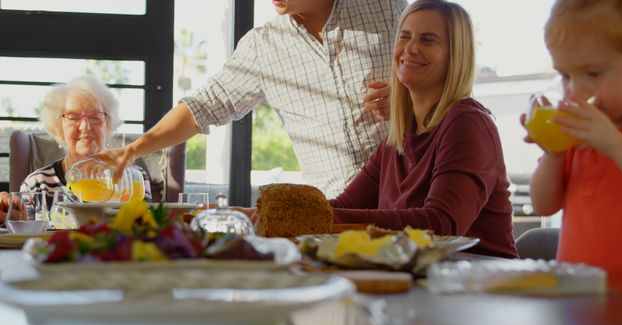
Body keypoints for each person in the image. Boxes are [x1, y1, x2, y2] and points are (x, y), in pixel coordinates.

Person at [97, 0, 407, 199]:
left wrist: (407, 97)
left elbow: (448, 76)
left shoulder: (387, 8)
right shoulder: (263, 47)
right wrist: (134, 149)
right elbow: (203, 107)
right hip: (337, 211)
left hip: (410, 194)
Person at [322, 0, 516, 258]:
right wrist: (266, 213)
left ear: (455, 55)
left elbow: (440, 226)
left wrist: (312, 216)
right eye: (404, 37)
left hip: (480, 287)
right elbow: (343, 207)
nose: (410, 48)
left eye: (428, 40)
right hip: (421, 284)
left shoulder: (468, 123)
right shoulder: (396, 140)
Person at [527, 0, 622, 280]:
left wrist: (616, 145)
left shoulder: (607, 137)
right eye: (565, 75)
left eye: (593, 73)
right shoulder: (578, 135)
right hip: (578, 301)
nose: (575, 91)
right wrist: (554, 153)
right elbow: (543, 205)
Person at [20, 76, 152, 207]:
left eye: (95, 117)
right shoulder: (36, 185)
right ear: (58, 128)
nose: (85, 127)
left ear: (108, 125)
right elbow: (23, 227)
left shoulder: (131, 179)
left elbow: (142, 226)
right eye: (73, 118)